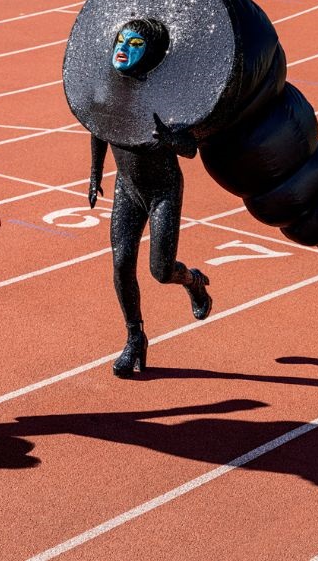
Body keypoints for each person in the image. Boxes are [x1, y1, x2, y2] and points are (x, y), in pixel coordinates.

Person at [89, 19, 213, 378]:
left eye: (136, 42)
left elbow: (190, 148)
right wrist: (96, 172)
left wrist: (171, 139)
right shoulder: (110, 88)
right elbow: (98, 127)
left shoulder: (165, 95)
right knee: (121, 263)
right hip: (126, 188)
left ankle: (193, 282)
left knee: (160, 271)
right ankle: (134, 339)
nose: (124, 47)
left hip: (162, 191)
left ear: (151, 53)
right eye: (121, 39)